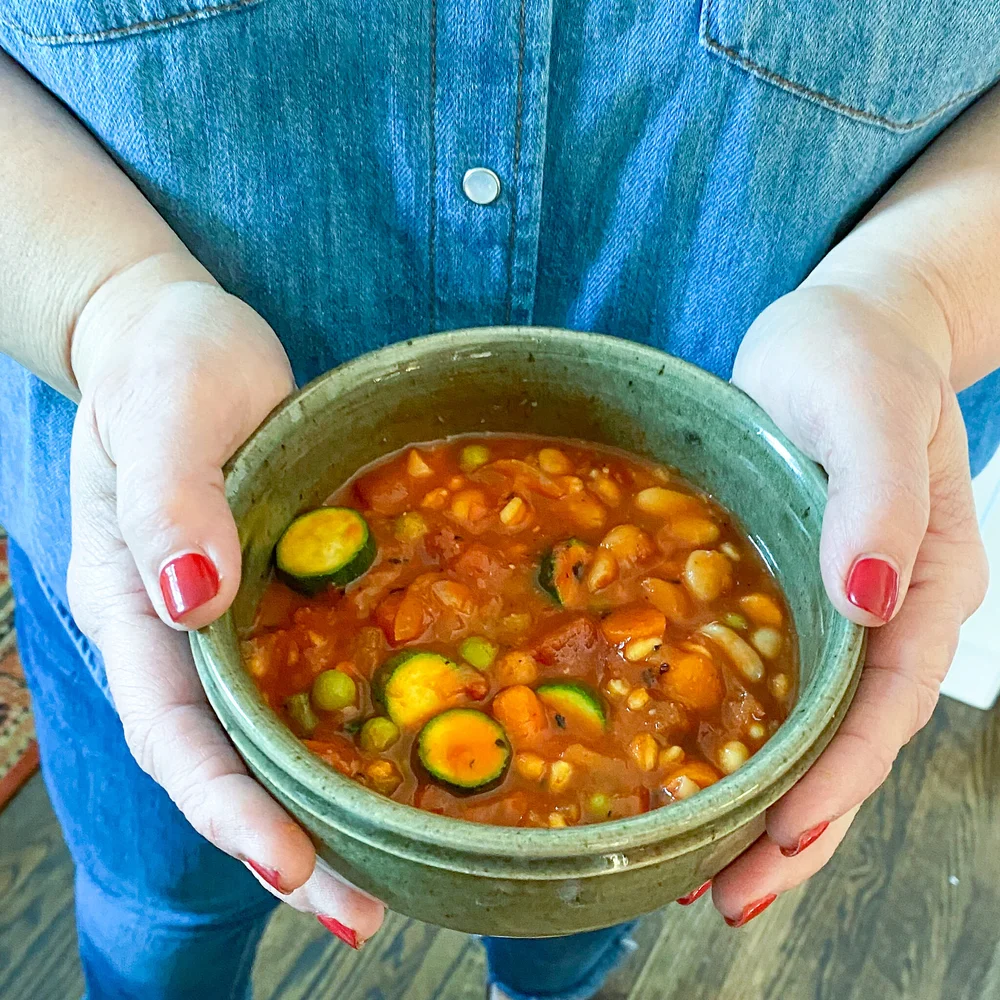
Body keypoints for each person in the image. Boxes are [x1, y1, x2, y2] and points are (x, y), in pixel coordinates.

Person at [1, 3, 998, 998]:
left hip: (817, 450)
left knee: (567, 934)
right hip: (153, 507)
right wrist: (109, 306)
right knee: (163, 915)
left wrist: (911, 297)